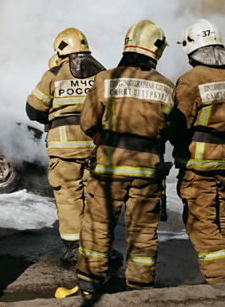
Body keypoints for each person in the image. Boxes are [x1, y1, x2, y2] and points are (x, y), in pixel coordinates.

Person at [56, 20, 175, 297]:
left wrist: (101, 136)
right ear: (156, 50)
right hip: (148, 170)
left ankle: (88, 286)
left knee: (98, 227)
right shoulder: (166, 86)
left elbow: (88, 122)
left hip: (109, 167)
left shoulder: (105, 79)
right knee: (143, 232)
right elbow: (170, 129)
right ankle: (141, 290)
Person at [171, 19, 225, 284]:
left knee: (201, 222)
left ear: (191, 48)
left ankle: (221, 282)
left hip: (199, 162)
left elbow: (178, 123)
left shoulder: (191, 79)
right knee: (221, 217)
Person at [25, 28, 105, 264]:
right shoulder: (103, 74)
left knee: (69, 197)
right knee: (95, 197)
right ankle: (98, 247)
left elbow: (33, 109)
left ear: (61, 49)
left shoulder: (53, 74)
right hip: (95, 147)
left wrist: (53, 114)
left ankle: (73, 250)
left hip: (64, 149)